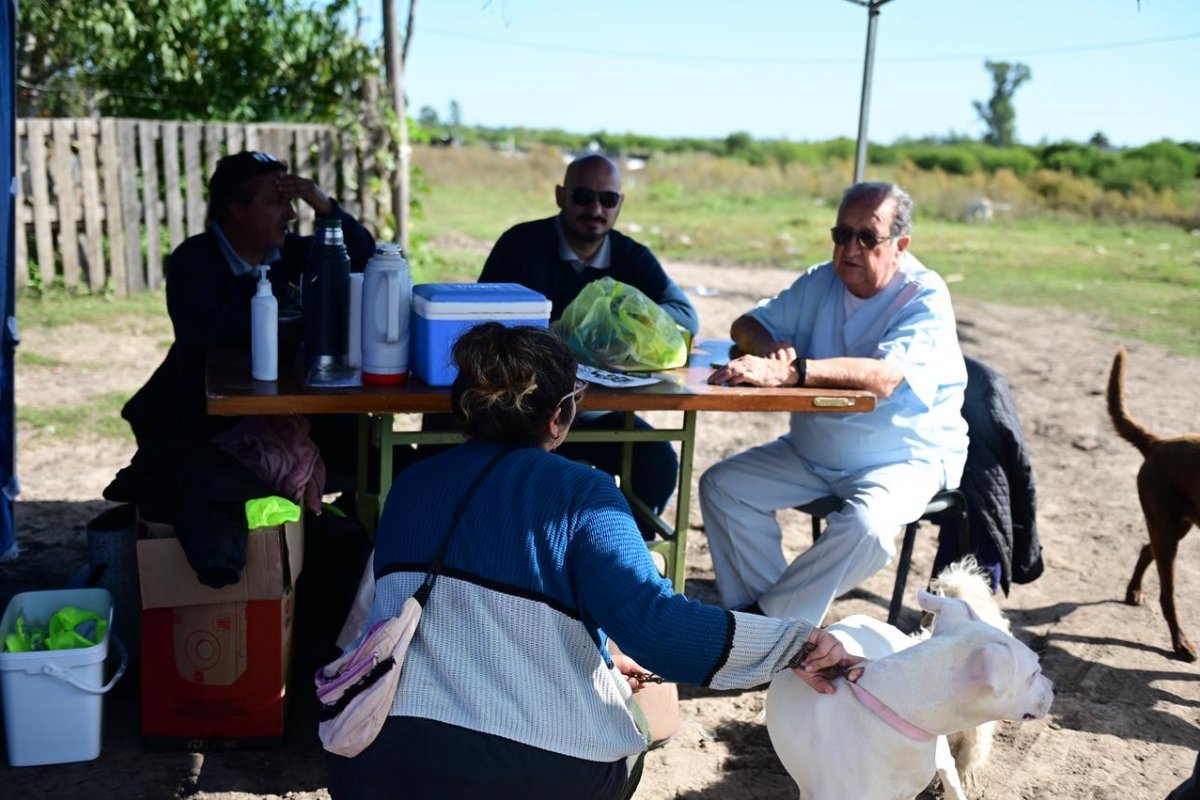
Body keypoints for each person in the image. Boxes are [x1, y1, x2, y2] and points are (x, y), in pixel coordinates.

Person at [326, 323, 863, 800]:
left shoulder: (411, 485)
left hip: (378, 765)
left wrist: (599, 649)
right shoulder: (583, 494)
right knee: (654, 708)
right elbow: (660, 632)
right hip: (526, 775)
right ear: (561, 415)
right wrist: (795, 643)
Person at [699, 181, 969, 624]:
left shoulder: (924, 296)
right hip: (813, 452)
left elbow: (884, 377)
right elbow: (746, 323)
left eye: (867, 237)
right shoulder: (821, 280)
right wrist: (768, 347)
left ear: (900, 245)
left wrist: (793, 371)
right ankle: (776, 631)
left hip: (902, 459)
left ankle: (760, 624)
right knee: (724, 487)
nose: (850, 248)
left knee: (868, 528)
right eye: (842, 234)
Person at [105, 151, 375, 591]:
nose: (291, 213)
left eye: (293, 202)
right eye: (276, 201)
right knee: (204, 477)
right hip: (210, 423)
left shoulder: (292, 254)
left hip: (289, 417)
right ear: (236, 207)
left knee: (367, 448)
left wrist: (325, 207)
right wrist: (294, 317)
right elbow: (206, 335)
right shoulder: (194, 260)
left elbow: (364, 258)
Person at [476, 153, 699, 517]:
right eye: (583, 197)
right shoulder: (520, 244)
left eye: (607, 199)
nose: (595, 209)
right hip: (517, 406)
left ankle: (627, 547)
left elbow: (685, 316)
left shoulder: (632, 256)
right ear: (560, 195)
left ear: (619, 204)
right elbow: (481, 320)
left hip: (593, 410)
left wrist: (612, 330)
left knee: (656, 461)